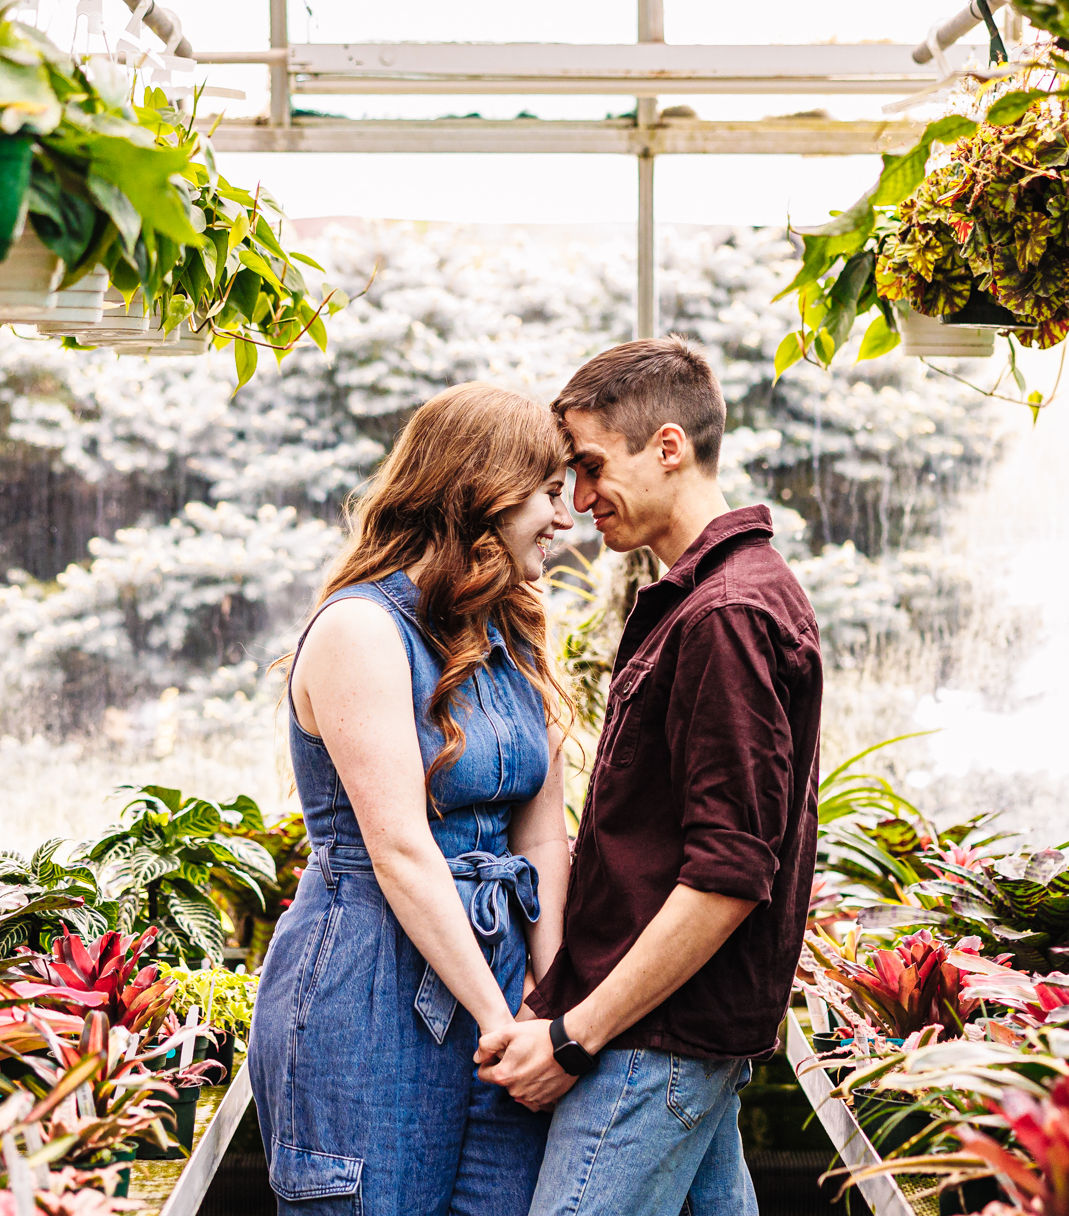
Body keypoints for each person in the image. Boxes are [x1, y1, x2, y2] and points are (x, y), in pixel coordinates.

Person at [478, 337, 825, 1216]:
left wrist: (573, 1039)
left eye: (591, 466)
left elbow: (726, 877)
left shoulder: (727, 614)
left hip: (650, 1046)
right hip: (676, 1041)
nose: (579, 499)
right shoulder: (711, 595)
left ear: (668, 446)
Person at [248, 381, 576, 1216]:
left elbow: (541, 839)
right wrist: (502, 1023)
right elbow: (398, 848)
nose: (566, 518)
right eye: (549, 493)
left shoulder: (519, 633)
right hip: (367, 989)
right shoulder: (360, 628)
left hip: (497, 985)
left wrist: (551, 996)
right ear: (486, 492)